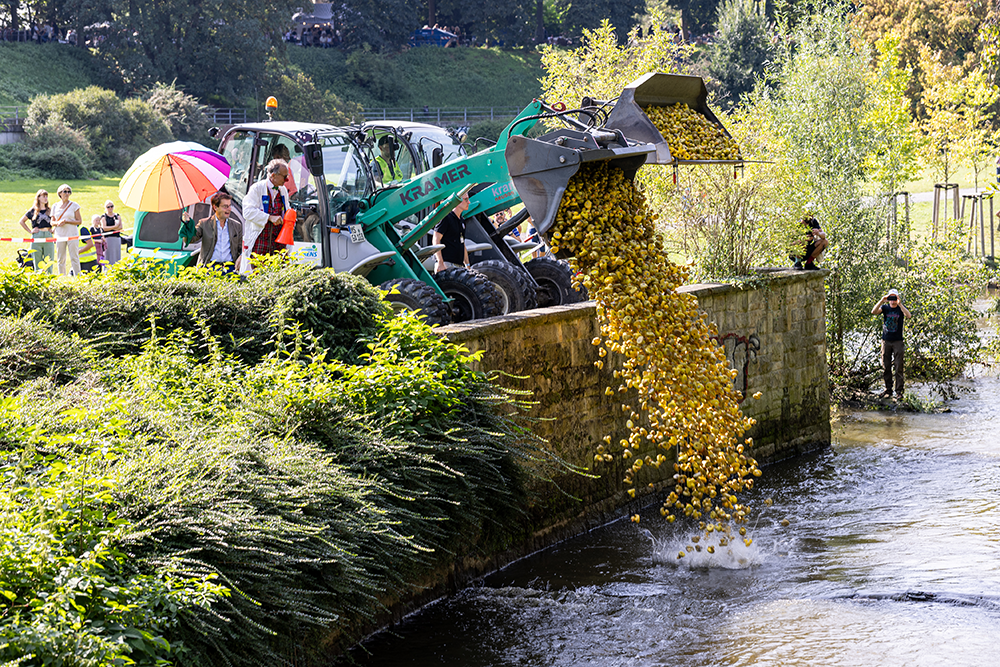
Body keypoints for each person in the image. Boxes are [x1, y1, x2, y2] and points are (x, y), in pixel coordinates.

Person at [241, 159, 291, 272]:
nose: (287, 180)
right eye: (284, 177)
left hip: (278, 241)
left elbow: (286, 209)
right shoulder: (257, 188)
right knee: (258, 273)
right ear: (273, 175)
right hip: (260, 240)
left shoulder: (283, 190)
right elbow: (247, 211)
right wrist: (269, 217)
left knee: (280, 272)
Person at [871, 289, 912, 399]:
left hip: (898, 341)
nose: (892, 300)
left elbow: (908, 316)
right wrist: (881, 300)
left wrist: (900, 304)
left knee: (899, 366)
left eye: (894, 297)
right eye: (891, 297)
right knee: (886, 366)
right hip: (886, 341)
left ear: (897, 297)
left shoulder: (900, 308)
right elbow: (873, 311)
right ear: (888, 298)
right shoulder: (885, 308)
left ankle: (899, 391)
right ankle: (888, 389)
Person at [187, 191, 242, 270]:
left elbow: (241, 248)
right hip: (210, 267)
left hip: (230, 267)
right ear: (215, 207)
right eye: (225, 206)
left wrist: (241, 256)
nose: (229, 209)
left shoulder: (237, 225)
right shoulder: (204, 223)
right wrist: (187, 224)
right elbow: (190, 239)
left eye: (230, 206)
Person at [17, 189, 54, 273]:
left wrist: (53, 229)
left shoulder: (50, 210)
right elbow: (21, 221)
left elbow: (56, 220)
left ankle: (49, 277)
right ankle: (38, 277)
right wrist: (30, 231)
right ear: (38, 198)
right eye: (43, 196)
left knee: (49, 259)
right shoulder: (33, 210)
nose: (45, 198)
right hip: (37, 236)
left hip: (48, 235)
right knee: (37, 260)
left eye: (46, 196)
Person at [433, 192, 470, 272]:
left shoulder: (462, 220)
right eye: (466, 199)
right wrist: (440, 262)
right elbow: (436, 239)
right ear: (457, 201)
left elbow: (462, 243)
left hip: (458, 265)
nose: (469, 202)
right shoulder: (446, 217)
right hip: (446, 264)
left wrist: (467, 265)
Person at [51, 183, 82, 276]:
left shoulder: (74, 205)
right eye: (65, 191)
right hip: (60, 235)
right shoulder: (55, 206)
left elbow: (79, 221)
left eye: (69, 192)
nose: (67, 194)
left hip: (72, 234)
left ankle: (78, 277)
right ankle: (62, 277)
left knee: (74, 257)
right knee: (60, 258)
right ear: (60, 193)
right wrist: (57, 223)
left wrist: (67, 221)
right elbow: (52, 222)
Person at [99, 200, 124, 266]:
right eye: (108, 207)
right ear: (105, 208)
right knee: (108, 255)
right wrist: (115, 227)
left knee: (116, 254)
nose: (110, 208)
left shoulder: (117, 216)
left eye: (111, 206)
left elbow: (120, 227)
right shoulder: (104, 217)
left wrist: (111, 228)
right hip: (108, 238)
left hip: (116, 238)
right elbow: (104, 228)